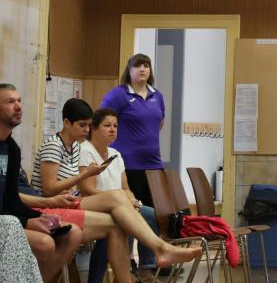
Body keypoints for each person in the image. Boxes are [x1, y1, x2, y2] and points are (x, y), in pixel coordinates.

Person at [2, 85, 200, 282]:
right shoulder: (56, 146)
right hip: (51, 203)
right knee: (118, 202)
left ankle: (153, 255)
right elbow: (48, 189)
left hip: (61, 201)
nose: (87, 130)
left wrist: (131, 200)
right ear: (67, 123)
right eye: (10, 102)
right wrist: (81, 177)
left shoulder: (22, 148)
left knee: (121, 212)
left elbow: (12, 196)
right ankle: (159, 249)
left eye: (19, 101)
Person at [1, 84, 84, 282]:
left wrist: (40, 217)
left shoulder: (12, 149)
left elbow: (12, 200)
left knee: (73, 233)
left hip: (9, 219)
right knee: (45, 244)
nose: (18, 106)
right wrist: (28, 222)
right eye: (10, 102)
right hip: (6, 222)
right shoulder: (52, 145)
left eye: (19, 100)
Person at [79, 107, 158, 282]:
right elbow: (87, 189)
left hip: (120, 204)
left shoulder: (116, 154)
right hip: (96, 205)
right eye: (107, 125)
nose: (113, 129)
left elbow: (125, 188)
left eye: (115, 126)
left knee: (150, 215)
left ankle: (146, 269)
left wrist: (132, 201)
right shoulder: (85, 151)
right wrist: (117, 201)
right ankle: (106, 276)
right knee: (122, 222)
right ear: (94, 128)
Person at [99, 54, 165, 208]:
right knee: (134, 210)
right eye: (137, 66)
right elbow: (100, 122)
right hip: (128, 165)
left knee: (158, 213)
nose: (142, 69)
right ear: (129, 70)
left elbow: (160, 122)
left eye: (146, 66)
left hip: (154, 164)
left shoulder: (157, 95)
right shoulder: (118, 95)